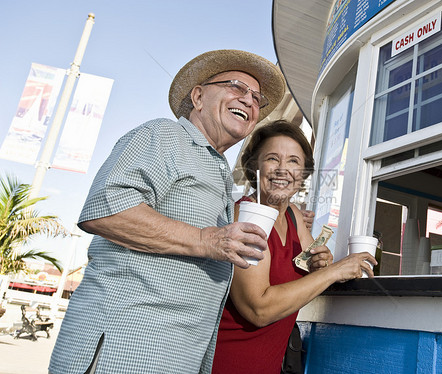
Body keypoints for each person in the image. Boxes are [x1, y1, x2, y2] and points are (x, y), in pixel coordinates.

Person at [49, 49, 286, 374]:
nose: (249, 100)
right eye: (236, 86)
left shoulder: (217, 170)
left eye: (257, 98)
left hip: (175, 357)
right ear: (198, 96)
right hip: (126, 351)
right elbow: (106, 210)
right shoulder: (164, 134)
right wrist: (209, 240)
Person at [211, 120, 377, 374]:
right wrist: (333, 272)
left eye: (293, 162)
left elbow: (313, 262)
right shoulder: (245, 217)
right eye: (272, 159)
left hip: (269, 364)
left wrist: (321, 262)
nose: (282, 170)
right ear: (255, 166)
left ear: (303, 174)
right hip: (229, 362)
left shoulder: (293, 216)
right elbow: (258, 309)